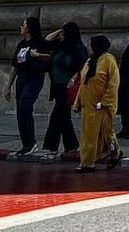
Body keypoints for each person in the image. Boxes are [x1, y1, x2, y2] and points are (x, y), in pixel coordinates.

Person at [4, 16, 52, 158]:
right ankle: (26, 145)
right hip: (22, 79)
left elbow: (50, 57)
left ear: (29, 28)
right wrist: (8, 86)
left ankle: (31, 143)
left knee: (25, 105)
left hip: (35, 78)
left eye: (23, 25)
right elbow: (15, 66)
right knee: (20, 111)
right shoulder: (21, 44)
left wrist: (37, 55)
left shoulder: (40, 42)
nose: (21, 27)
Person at [73, 36, 122, 172]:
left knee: (106, 133)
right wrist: (78, 102)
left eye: (90, 45)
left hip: (101, 105)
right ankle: (88, 162)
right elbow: (83, 83)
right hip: (89, 106)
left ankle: (114, 152)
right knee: (88, 135)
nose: (88, 48)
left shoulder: (108, 60)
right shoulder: (89, 61)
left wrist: (105, 102)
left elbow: (113, 83)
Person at [42, 22, 88, 160]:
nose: (61, 35)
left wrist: (73, 78)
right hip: (57, 87)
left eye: (64, 33)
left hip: (68, 88)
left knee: (56, 117)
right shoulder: (60, 46)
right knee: (64, 117)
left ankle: (52, 148)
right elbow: (46, 41)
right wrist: (60, 29)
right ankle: (71, 145)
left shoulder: (78, 49)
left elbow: (83, 68)